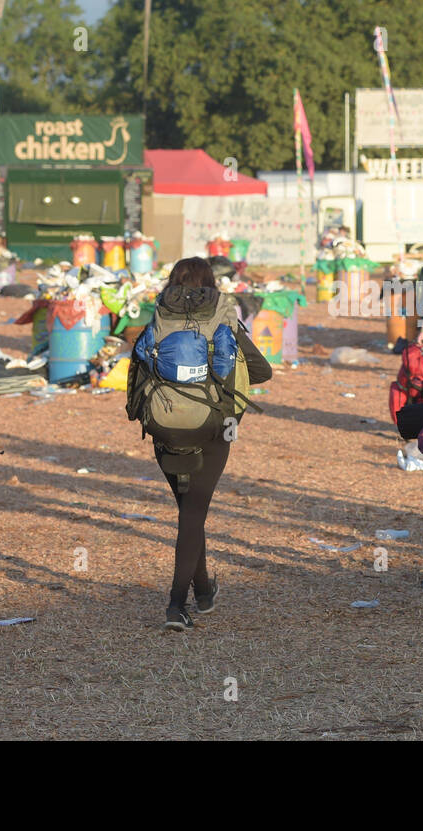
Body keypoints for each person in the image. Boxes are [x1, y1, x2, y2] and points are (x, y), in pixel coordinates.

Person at [131, 257, 273, 630]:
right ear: (210, 284)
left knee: (189, 513)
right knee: (194, 515)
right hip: (215, 428)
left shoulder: (159, 318)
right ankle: (176, 606)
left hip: (164, 427)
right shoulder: (223, 317)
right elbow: (263, 371)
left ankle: (205, 592)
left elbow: (136, 376)